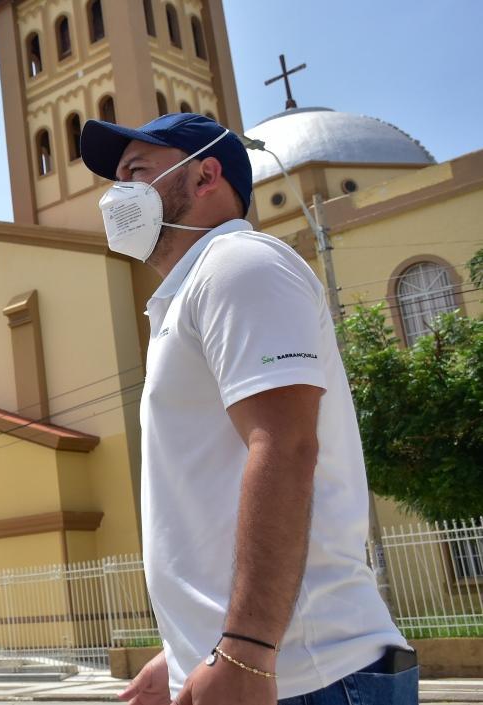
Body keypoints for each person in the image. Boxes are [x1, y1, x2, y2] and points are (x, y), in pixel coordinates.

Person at [78, 114, 415, 705]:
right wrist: (184, 652)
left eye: (135, 172)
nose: (116, 195)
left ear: (206, 174)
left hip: (308, 676)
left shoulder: (238, 265)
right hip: (266, 669)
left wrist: (246, 647)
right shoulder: (191, 292)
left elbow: (286, 448)